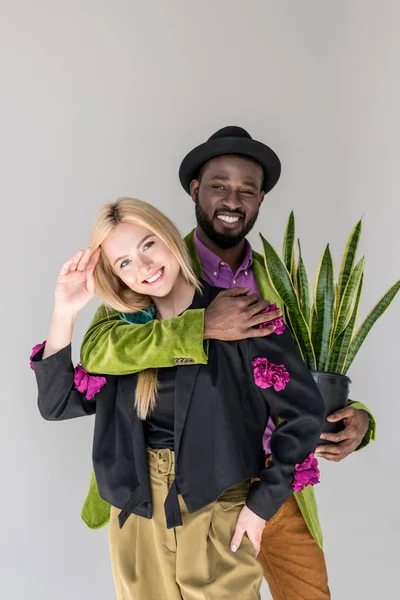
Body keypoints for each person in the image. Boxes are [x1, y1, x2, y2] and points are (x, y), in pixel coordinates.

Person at [79, 127, 376, 600]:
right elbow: (101, 349)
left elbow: (304, 377)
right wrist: (200, 327)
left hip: (278, 487)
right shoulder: (151, 272)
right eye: (218, 185)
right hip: (193, 488)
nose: (231, 199)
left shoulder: (282, 286)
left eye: (247, 189)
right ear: (196, 190)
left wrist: (358, 418)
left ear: (261, 199)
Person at [31, 198, 325, 600]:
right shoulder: (125, 335)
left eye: (148, 245)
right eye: (124, 263)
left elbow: (305, 415)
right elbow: (57, 404)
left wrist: (260, 508)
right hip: (137, 513)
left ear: (169, 235)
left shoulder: (241, 313)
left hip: (219, 506)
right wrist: (64, 311)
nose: (144, 267)